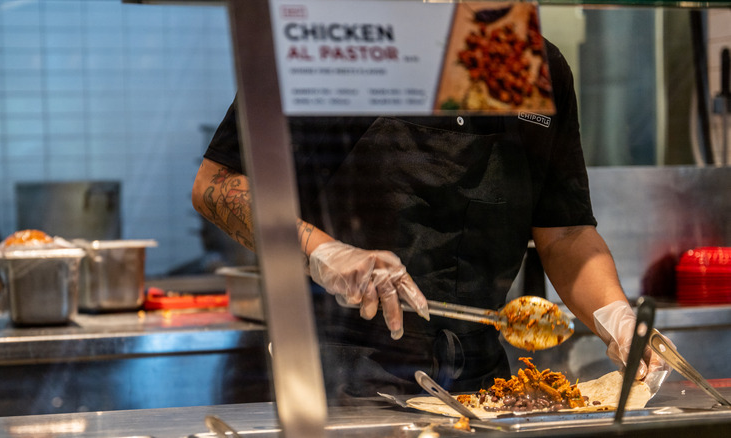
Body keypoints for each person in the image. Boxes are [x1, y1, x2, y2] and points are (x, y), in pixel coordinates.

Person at [192, 38, 671, 404]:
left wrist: (616, 316)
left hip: (484, 387)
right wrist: (319, 250)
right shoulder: (334, 49)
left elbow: (565, 232)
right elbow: (217, 183)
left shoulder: (536, 66)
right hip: (340, 379)